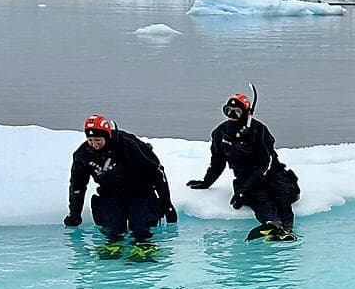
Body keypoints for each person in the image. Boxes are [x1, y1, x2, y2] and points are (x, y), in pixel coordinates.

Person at [185, 89, 301, 240]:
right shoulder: (220, 133)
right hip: (245, 176)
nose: (231, 116)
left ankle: (287, 228)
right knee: (257, 197)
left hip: (271, 172)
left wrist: (245, 189)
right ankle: (272, 223)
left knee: (280, 193)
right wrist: (206, 182)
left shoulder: (259, 130)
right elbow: (217, 162)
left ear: (246, 113)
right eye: (228, 111)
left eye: (236, 112)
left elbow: (265, 163)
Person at [65, 114, 177, 258]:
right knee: (112, 228)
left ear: (107, 136)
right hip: (110, 194)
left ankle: (143, 245)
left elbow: (156, 171)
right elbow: (77, 185)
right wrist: (74, 213)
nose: (94, 144)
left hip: (140, 192)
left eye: (98, 140)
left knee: (141, 227)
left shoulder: (127, 146)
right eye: (90, 140)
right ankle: (114, 244)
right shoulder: (83, 155)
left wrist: (166, 204)